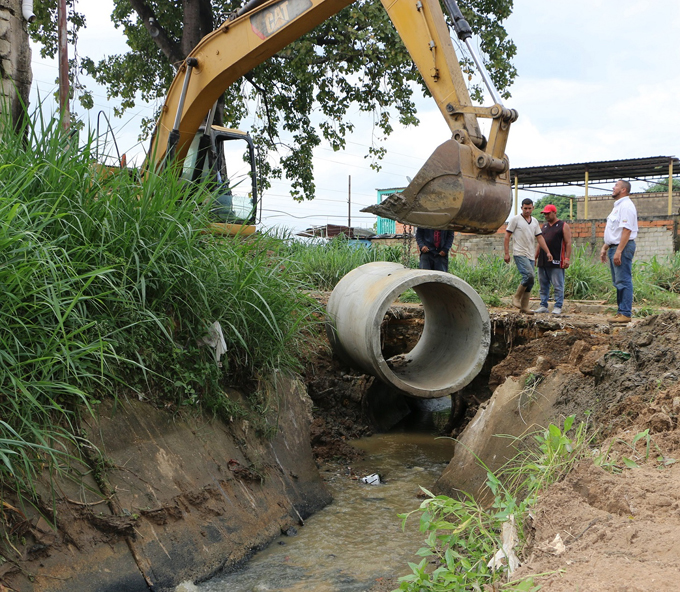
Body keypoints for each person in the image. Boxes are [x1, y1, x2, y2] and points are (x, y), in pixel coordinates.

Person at [504, 198, 552, 314]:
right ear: (521, 208)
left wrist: (547, 252)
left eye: (529, 208)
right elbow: (507, 236)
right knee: (528, 275)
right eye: (525, 208)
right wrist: (506, 253)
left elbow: (539, 237)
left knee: (531, 281)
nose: (527, 210)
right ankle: (516, 297)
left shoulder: (534, 221)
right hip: (519, 253)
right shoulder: (515, 220)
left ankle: (524, 307)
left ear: (533, 208)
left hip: (530, 254)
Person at [600, 179, 638, 323]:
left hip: (622, 247)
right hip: (615, 247)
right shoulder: (618, 206)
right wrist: (605, 247)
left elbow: (627, 230)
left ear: (623, 190)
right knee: (618, 282)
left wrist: (619, 251)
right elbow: (615, 232)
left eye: (616, 185)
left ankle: (625, 313)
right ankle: (621, 311)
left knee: (623, 280)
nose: (613, 187)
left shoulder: (627, 206)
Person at [534, 204, 572, 316]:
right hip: (543, 260)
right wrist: (535, 256)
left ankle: (558, 306)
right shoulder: (544, 227)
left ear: (554, 213)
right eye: (544, 213)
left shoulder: (563, 225)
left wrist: (567, 258)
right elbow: (539, 242)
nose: (546, 215)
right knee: (543, 284)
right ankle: (543, 305)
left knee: (557, 284)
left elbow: (568, 243)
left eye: (548, 213)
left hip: (556, 260)